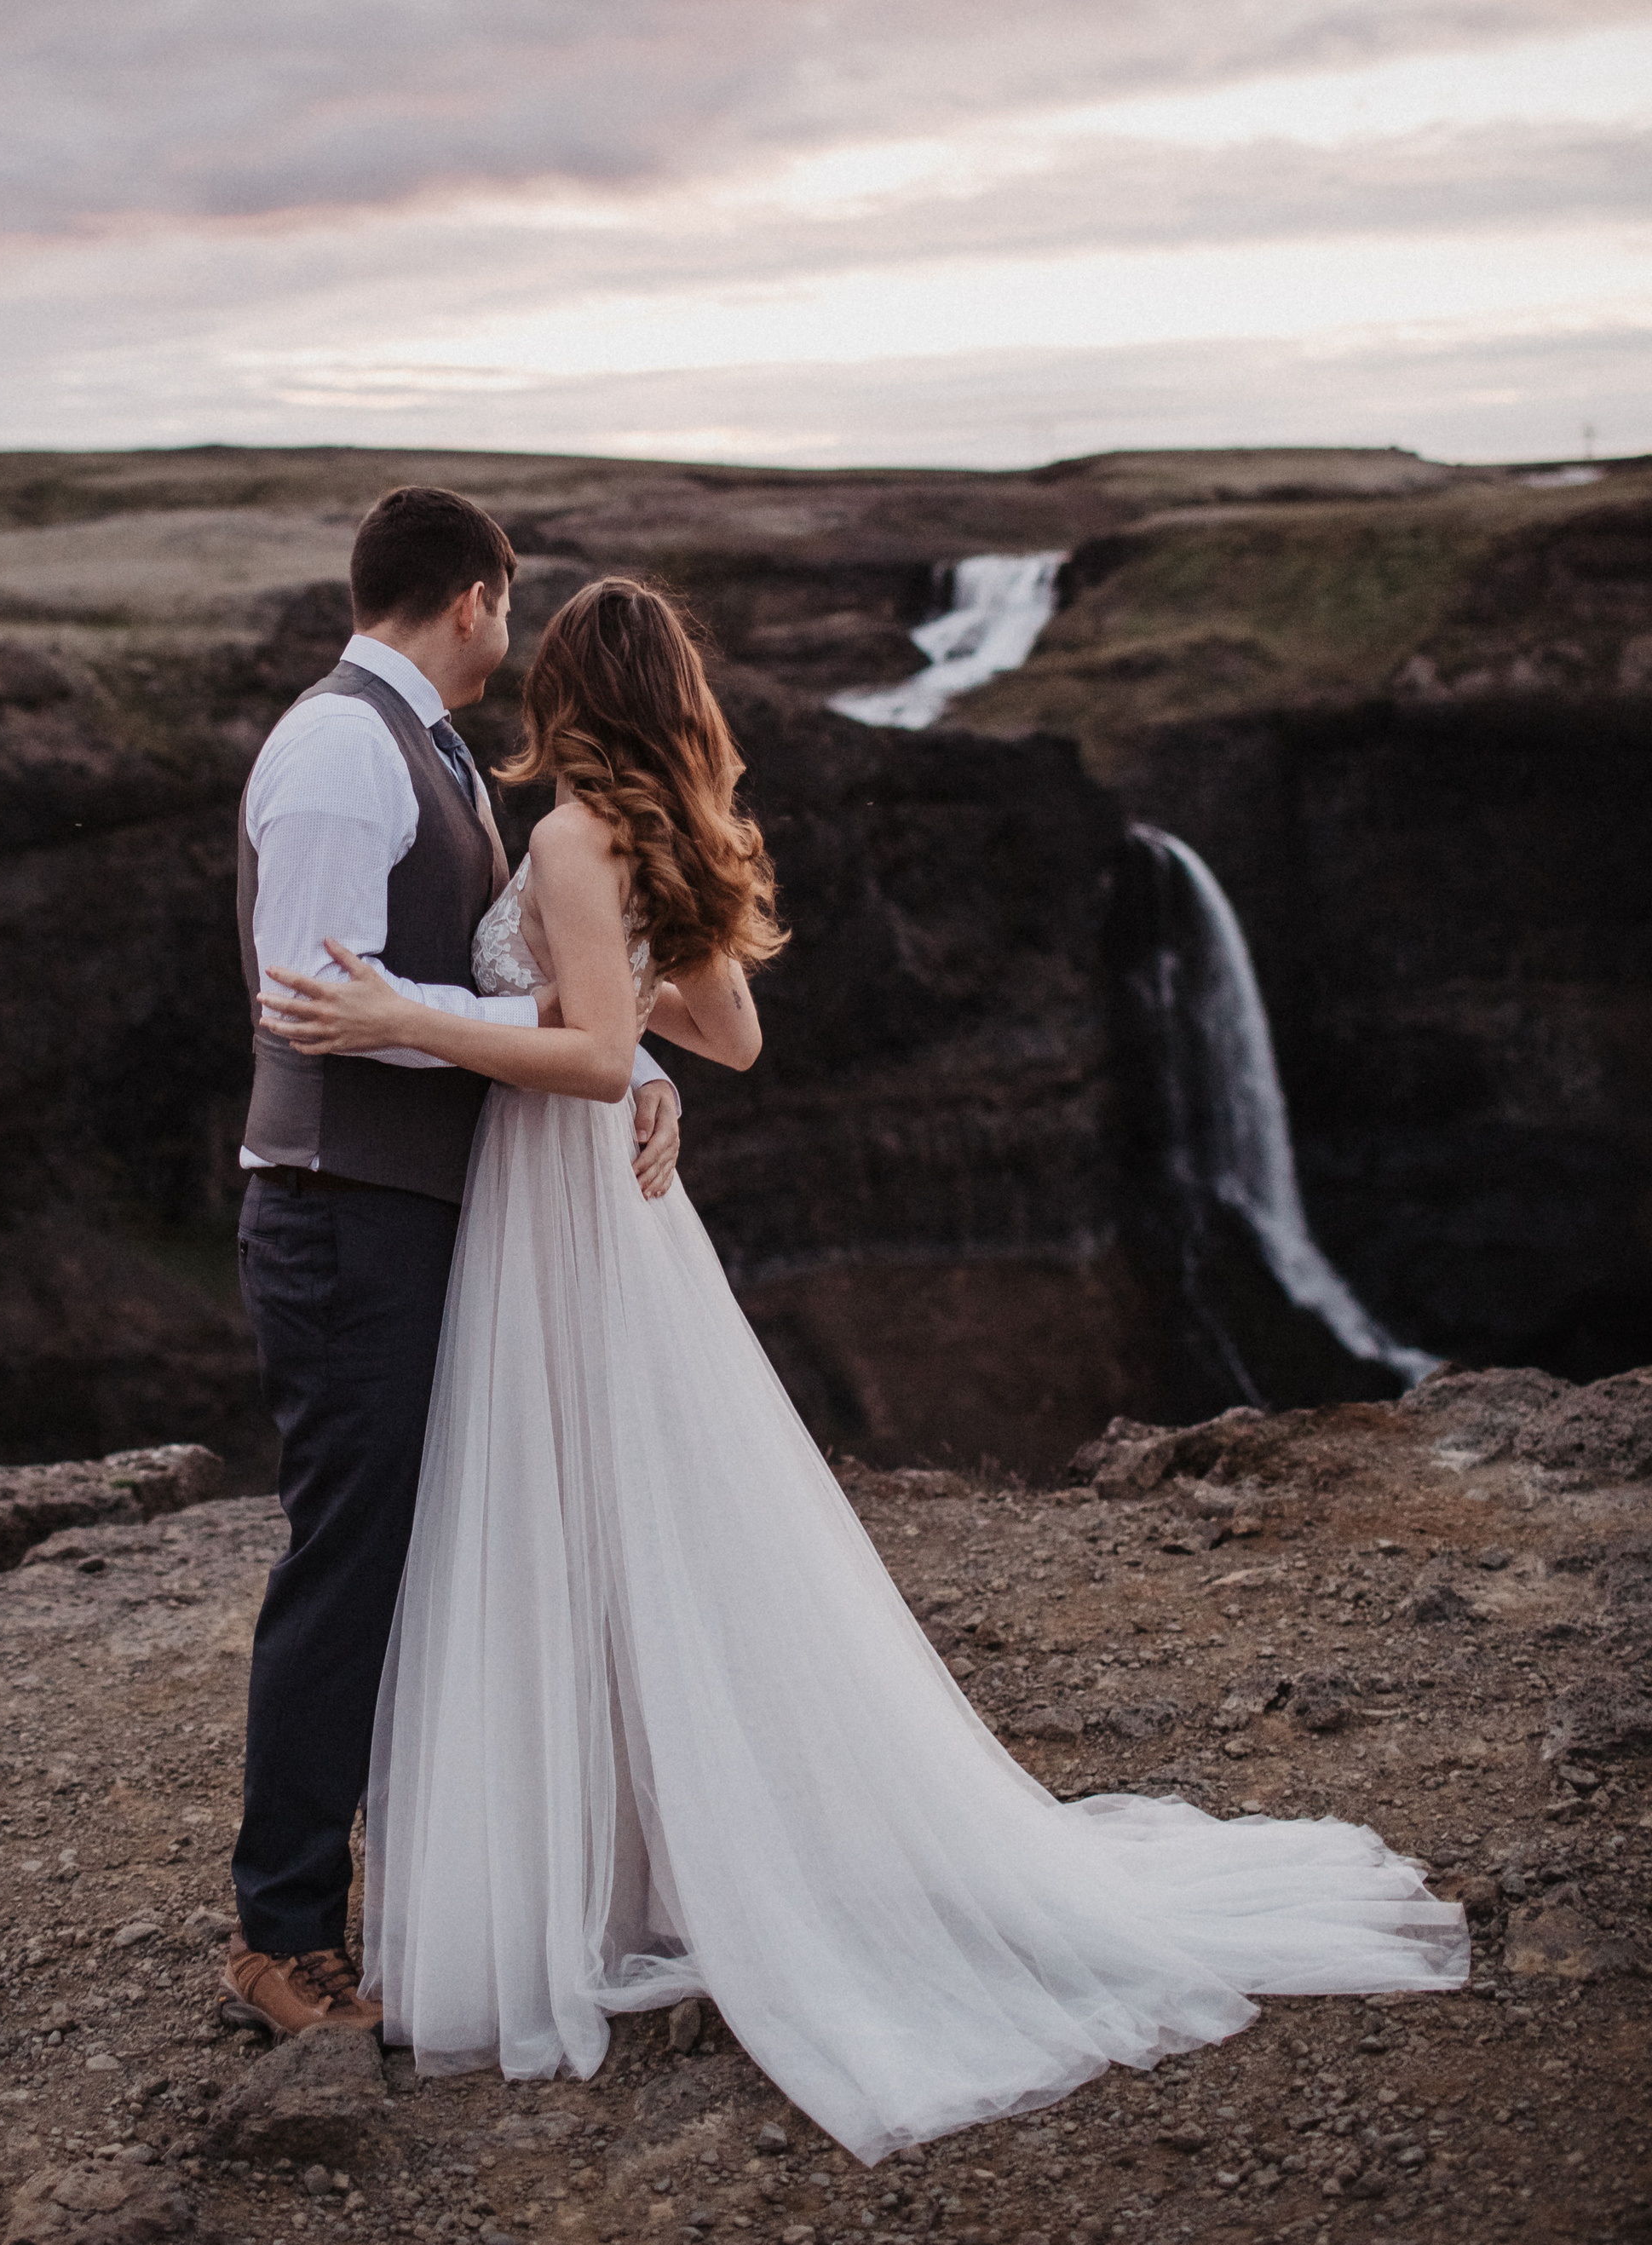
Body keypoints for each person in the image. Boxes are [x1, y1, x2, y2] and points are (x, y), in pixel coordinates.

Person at [259, 576, 1468, 2160]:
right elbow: (726, 1039)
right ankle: (661, 1852)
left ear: (566, 688)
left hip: (549, 1215)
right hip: (610, 1221)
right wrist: (595, 1022)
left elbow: (609, 1053)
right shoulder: (650, 839)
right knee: (643, 1519)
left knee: (561, 1521)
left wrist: (400, 1015)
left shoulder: (562, 837)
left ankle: (601, 1873)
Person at [223, 488, 682, 2041]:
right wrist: (577, 1050)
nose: (516, 625)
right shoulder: (351, 751)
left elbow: (520, 989)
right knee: (348, 1563)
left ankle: (438, 1887)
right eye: (511, 599)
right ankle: (281, 1934)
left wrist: (632, 1071)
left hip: (415, 1211)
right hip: (343, 1209)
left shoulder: (425, 752)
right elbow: (326, 1005)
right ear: (476, 596)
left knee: (416, 1555)